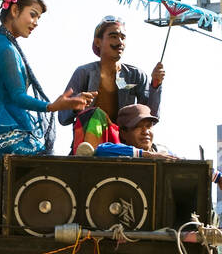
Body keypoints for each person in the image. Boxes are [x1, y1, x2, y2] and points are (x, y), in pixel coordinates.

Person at [0, 0, 92, 154]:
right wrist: (52, 106)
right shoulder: (6, 48)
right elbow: (18, 97)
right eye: (33, 14)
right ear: (15, 10)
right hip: (0, 130)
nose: (36, 22)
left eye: (38, 17)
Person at [90, 105, 222, 206]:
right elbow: (100, 150)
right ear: (123, 133)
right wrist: (145, 155)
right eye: (137, 127)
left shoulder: (162, 152)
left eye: (148, 126)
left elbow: (187, 164)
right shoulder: (119, 151)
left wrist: (219, 177)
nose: (145, 131)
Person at [58, 16, 164, 152]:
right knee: (96, 114)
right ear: (98, 42)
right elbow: (62, 118)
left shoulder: (136, 75)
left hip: (127, 146)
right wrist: (75, 105)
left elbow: (151, 116)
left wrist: (156, 85)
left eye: (123, 37)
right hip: (91, 148)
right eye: (113, 36)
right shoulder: (84, 73)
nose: (119, 42)